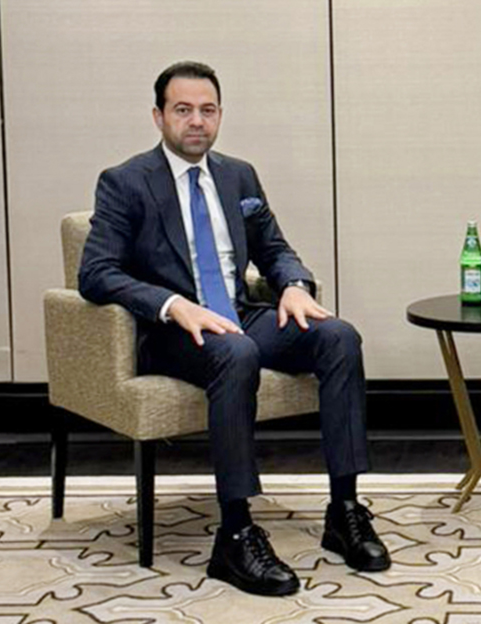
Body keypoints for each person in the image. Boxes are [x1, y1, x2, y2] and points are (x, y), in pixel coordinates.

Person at [78, 61, 389, 597]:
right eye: (183, 110)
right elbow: (96, 272)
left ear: (220, 115)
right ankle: (236, 532)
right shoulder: (125, 182)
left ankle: (344, 510)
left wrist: (295, 285)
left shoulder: (237, 175)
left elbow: (274, 248)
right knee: (237, 353)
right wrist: (172, 304)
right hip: (175, 333)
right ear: (158, 117)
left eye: (207, 110)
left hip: (239, 315)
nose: (197, 121)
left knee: (339, 337)